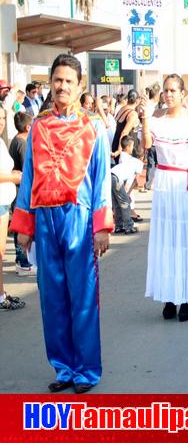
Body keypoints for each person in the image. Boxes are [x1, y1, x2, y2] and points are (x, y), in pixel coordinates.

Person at [12, 54, 113, 392]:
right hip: (45, 218)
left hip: (80, 217)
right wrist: (24, 227)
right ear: (50, 82)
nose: (62, 86)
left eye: (69, 81)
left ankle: (86, 370)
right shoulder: (39, 126)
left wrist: (101, 225)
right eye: (58, 80)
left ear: (79, 85)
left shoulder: (93, 125)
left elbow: (101, 180)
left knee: (82, 295)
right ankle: (64, 367)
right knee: (52, 296)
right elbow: (27, 178)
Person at [143, 75, 188, 323]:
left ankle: (186, 298)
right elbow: (147, 144)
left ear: (182, 93)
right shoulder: (156, 117)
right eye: (165, 90)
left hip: (186, 183)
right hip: (164, 183)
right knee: (167, 241)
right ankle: (169, 297)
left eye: (173, 90)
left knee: (185, 240)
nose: (169, 94)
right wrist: (144, 117)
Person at [0, 104, 25, 310]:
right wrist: (15, 177)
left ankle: (1, 294)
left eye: (2, 117)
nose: (0, 121)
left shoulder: (1, 141)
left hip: (4, 203)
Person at [9, 110, 34, 276]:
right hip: (20, 192)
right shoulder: (23, 144)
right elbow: (28, 168)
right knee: (21, 225)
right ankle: (23, 262)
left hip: (16, 191)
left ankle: (21, 261)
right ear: (27, 127)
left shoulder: (15, 141)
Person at [110, 136, 143, 235]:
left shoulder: (129, 159)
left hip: (111, 175)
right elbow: (135, 181)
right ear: (142, 157)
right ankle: (128, 226)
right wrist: (128, 193)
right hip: (117, 178)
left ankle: (119, 226)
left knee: (117, 203)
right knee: (125, 203)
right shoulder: (139, 163)